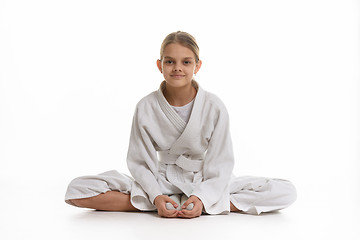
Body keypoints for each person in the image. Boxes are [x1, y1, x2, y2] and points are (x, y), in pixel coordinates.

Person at [65, 31, 296, 219]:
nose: (178, 68)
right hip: (160, 180)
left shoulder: (214, 106)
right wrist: (155, 195)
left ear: (197, 65)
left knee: (286, 191)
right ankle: (169, 203)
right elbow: (140, 162)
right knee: (77, 189)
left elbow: (220, 163)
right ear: (160, 65)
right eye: (170, 61)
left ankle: (198, 204)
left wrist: (204, 196)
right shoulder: (146, 107)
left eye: (186, 62)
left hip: (202, 179)